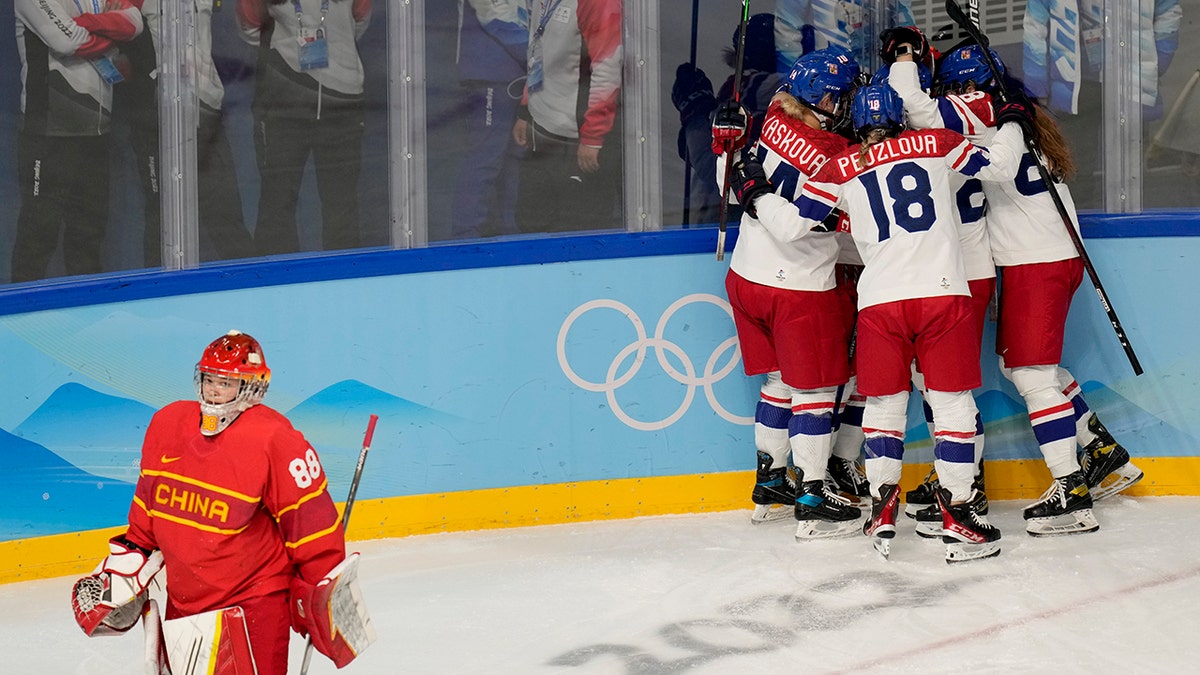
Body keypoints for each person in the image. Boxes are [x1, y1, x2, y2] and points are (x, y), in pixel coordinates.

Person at [734, 81, 1032, 562]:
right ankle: (959, 515)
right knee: (952, 405)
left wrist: (755, 190)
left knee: (884, 408)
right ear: (900, 117)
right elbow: (1001, 166)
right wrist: (1015, 119)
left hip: (879, 302)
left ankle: (881, 509)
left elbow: (790, 225)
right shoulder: (937, 141)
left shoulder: (840, 165)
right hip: (941, 293)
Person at [891, 37, 1145, 537]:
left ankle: (1071, 492)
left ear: (971, 86)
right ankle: (1099, 448)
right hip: (1048, 256)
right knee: (1026, 367)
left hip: (1037, 261)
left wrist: (904, 60)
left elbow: (918, 109)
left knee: (1031, 375)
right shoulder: (1011, 112)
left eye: (958, 86)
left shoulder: (982, 109)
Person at [70, 330, 372, 673]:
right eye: (209, 379)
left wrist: (322, 593)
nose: (214, 390)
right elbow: (147, 510)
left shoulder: (274, 439)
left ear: (252, 388)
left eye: (226, 382)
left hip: (253, 604)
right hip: (185, 602)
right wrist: (127, 564)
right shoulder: (167, 425)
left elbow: (311, 525)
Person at [717, 47, 863, 540]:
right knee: (817, 392)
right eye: (837, 96)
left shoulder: (771, 116)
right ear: (818, 96)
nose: (843, 105)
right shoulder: (833, 154)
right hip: (797, 288)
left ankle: (772, 483)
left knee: (779, 385)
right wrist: (757, 192)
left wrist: (730, 154)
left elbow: (729, 178)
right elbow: (793, 225)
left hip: (745, 278)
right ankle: (813, 495)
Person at [11, 0, 144, 282]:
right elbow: (67, 42)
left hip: (97, 135)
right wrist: (109, 33)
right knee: (38, 234)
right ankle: (20, 318)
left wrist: (86, 24)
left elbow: (134, 22)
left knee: (89, 234)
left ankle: (87, 317)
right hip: (48, 134)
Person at [236, 0, 372, 256]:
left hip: (341, 101)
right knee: (277, 200)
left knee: (341, 204)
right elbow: (249, 24)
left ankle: (342, 284)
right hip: (284, 101)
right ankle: (277, 284)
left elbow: (360, 17)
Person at [140, 0, 256, 263]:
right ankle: (158, 296)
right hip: (160, 114)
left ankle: (246, 292)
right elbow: (124, 31)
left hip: (206, 109)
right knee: (161, 218)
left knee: (226, 215)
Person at [512, 0, 622, 234]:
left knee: (578, 235)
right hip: (540, 132)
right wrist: (525, 108)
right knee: (531, 227)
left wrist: (593, 137)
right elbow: (537, 52)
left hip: (577, 142)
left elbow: (608, 68)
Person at [671, 12, 780, 226]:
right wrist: (698, 114)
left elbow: (710, 162)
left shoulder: (758, 86)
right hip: (723, 207)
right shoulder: (751, 84)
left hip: (736, 207)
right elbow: (706, 160)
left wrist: (696, 112)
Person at [450, 0, 529, 240]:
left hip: (513, 73)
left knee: (513, 156)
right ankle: (466, 234)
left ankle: (508, 229)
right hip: (490, 72)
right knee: (486, 155)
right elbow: (493, 13)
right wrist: (539, 55)